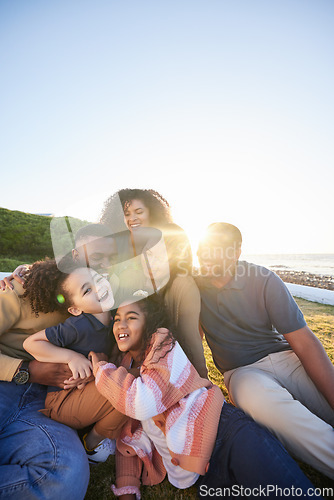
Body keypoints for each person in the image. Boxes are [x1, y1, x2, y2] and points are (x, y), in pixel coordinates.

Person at [89, 295, 318, 499]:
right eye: (117, 318)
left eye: (131, 317)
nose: (121, 324)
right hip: (204, 475)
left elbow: (142, 401)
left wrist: (101, 368)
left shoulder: (161, 344)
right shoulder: (123, 373)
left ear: (149, 323)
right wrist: (127, 488)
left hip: (228, 434)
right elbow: (127, 438)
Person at [195, 222, 334, 479]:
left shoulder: (263, 278)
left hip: (286, 359)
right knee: (277, 412)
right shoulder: (194, 287)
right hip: (242, 373)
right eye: (203, 249)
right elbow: (194, 340)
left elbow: (303, 342)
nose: (208, 255)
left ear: (236, 251)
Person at [0, 259, 90, 500]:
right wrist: (25, 369)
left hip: (43, 403)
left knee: (65, 475)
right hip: (4, 383)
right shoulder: (24, 290)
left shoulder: (115, 307)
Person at [23, 258, 127, 463]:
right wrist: (71, 357)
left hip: (85, 392)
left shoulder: (115, 315)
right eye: (87, 290)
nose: (99, 288)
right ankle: (93, 443)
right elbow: (31, 343)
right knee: (128, 387)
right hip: (63, 402)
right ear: (75, 309)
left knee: (130, 382)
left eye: (98, 279)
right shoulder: (77, 326)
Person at [100, 188, 208, 378]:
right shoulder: (128, 262)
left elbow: (192, 339)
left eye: (139, 212)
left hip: (167, 365)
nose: (133, 218)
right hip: (135, 361)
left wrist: (203, 381)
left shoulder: (180, 280)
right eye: (127, 214)